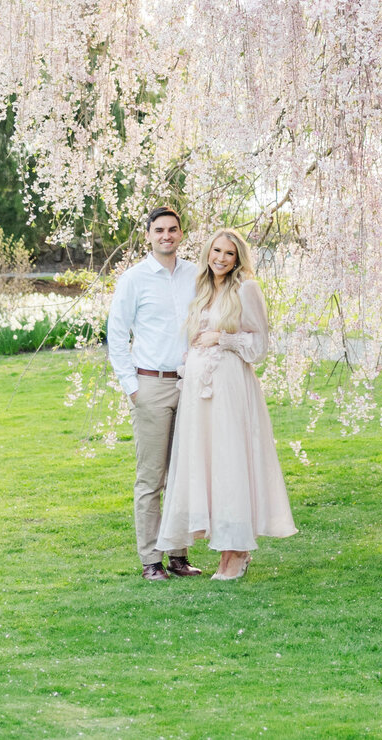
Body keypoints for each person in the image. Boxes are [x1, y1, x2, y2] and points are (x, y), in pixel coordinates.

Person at [156, 227, 297, 581]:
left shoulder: (245, 288)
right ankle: (229, 545)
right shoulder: (203, 289)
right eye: (216, 251)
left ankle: (234, 552)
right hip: (199, 394)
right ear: (208, 253)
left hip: (231, 388)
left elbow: (259, 345)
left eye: (229, 253)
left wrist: (223, 337)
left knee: (230, 462)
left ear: (238, 259)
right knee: (208, 464)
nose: (221, 258)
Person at [106, 206, 203, 581]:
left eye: (173, 229)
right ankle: (151, 560)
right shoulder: (133, 280)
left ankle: (179, 556)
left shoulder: (195, 274)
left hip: (191, 384)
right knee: (151, 478)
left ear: (181, 234)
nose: (166, 235)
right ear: (148, 235)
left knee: (183, 474)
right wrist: (133, 389)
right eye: (159, 230)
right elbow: (116, 337)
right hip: (151, 385)